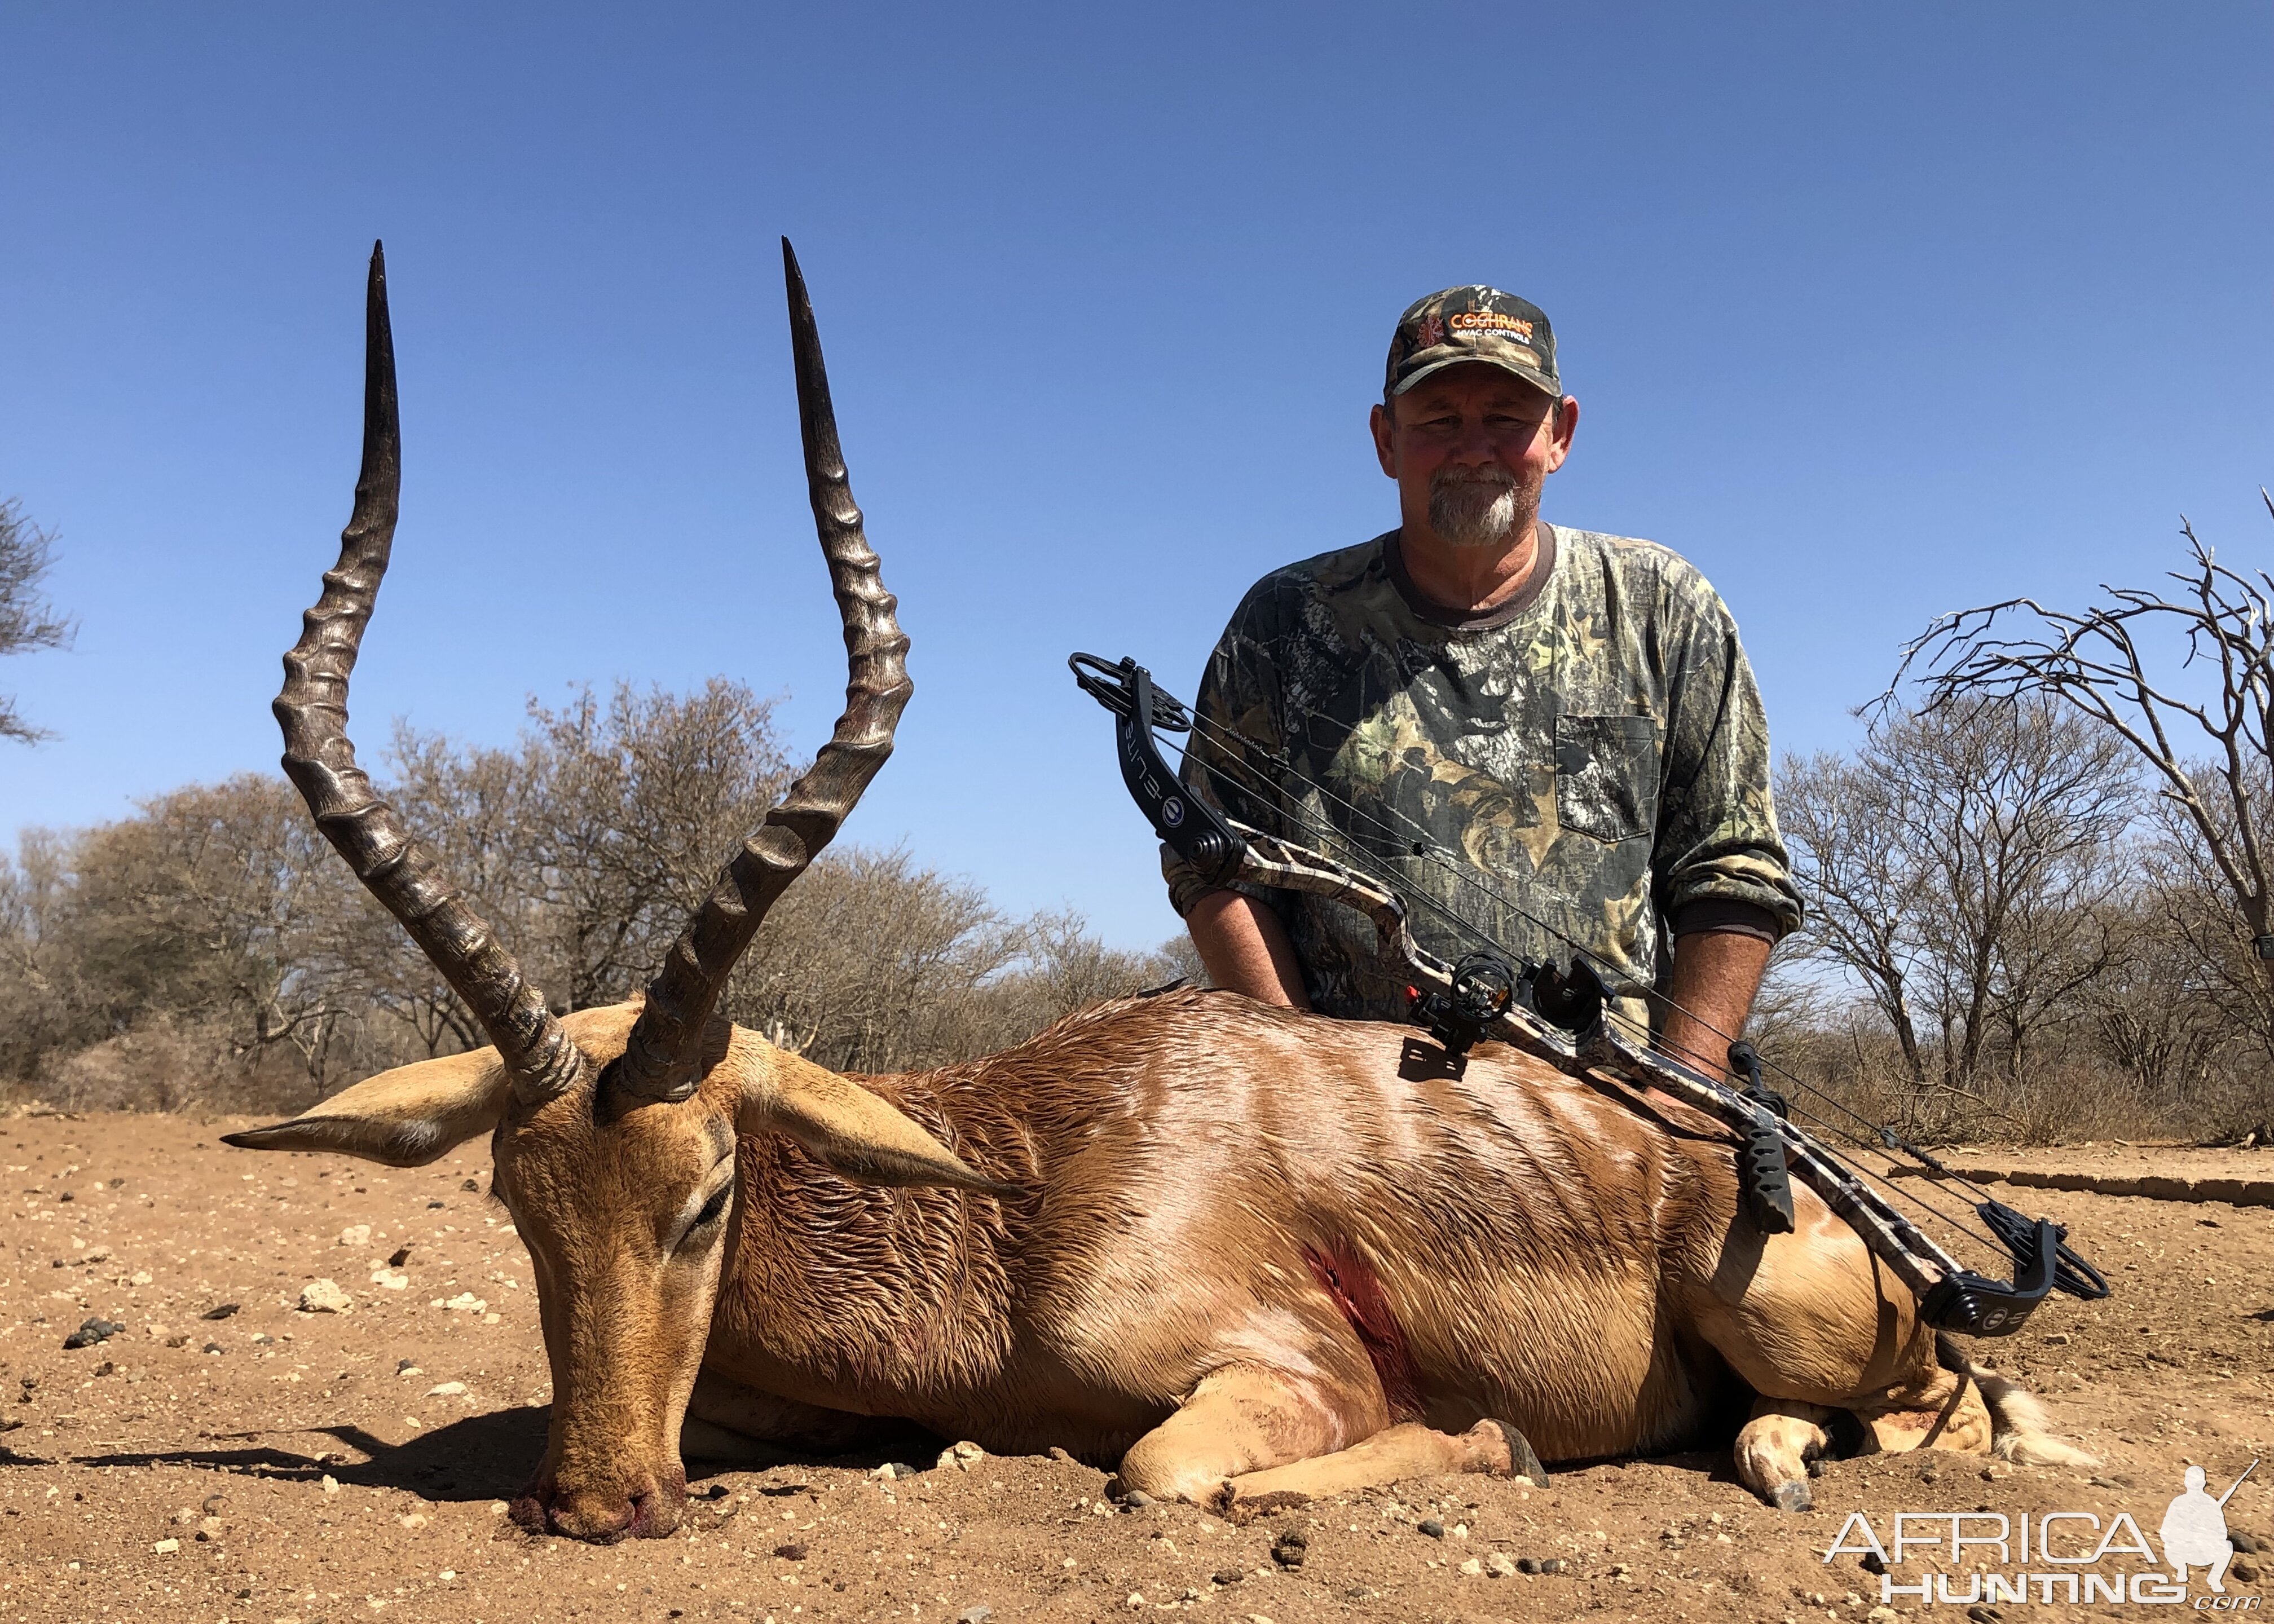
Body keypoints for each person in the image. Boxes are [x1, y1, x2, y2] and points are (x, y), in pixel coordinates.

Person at [1164, 284, 1803, 1071]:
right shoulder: (1285, 620)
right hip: (1355, 1124)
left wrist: (1684, 1089)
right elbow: (1215, 859)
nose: (1474, 448)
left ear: (1560, 434)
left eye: (1507, 418)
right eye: (1439, 420)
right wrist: (1305, 1078)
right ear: (1385, 439)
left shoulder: (1662, 606)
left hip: (1614, 1119)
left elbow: (1731, 866)